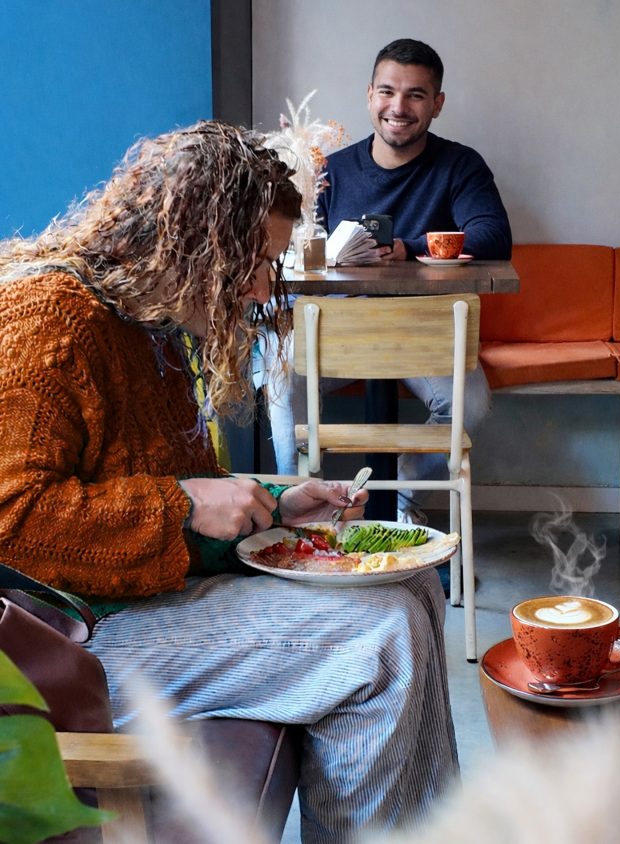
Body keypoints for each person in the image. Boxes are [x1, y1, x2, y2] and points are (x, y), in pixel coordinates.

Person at [0, 121, 458, 841]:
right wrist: (181, 504)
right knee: (381, 638)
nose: (257, 288)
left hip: (132, 601)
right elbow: (12, 527)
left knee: (414, 586)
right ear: (188, 241)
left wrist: (275, 504)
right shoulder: (45, 322)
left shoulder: (144, 322)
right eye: (250, 260)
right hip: (70, 636)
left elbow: (179, 490)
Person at [257, 38, 512, 522]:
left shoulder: (460, 165)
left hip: (426, 332)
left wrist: (408, 248)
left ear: (437, 104)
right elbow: (295, 243)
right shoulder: (329, 169)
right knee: (276, 375)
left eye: (416, 95)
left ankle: (409, 495)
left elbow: (493, 236)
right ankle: (291, 505)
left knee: (472, 405)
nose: (399, 107)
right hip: (340, 331)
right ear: (369, 95)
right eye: (388, 91)